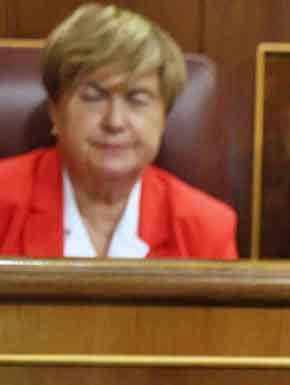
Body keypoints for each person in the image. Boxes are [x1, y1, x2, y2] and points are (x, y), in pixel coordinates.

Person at [0, 4, 236, 259]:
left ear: (163, 117)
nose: (114, 122)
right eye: (94, 97)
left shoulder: (206, 229)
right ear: (55, 113)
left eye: (137, 98)